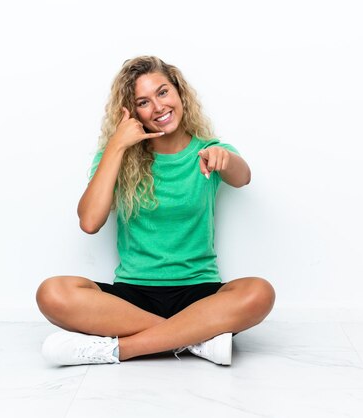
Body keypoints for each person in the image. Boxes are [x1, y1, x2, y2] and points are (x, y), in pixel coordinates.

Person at [36, 55, 275, 366]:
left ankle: (120, 350)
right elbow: (90, 222)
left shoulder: (209, 150)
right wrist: (117, 146)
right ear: (132, 113)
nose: (159, 107)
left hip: (200, 296)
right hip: (131, 299)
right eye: (144, 102)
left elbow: (243, 178)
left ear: (179, 92)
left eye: (163, 92)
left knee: (260, 292)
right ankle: (196, 340)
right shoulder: (115, 158)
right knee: (52, 293)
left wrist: (225, 159)